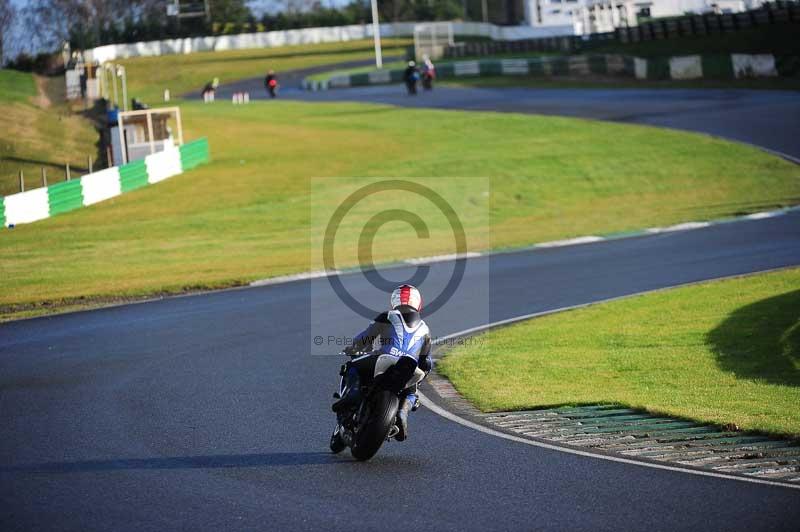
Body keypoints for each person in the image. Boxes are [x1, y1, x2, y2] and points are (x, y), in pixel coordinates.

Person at [332, 284, 432, 441]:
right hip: (410, 367)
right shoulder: (425, 329)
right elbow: (426, 362)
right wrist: (423, 373)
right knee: (412, 392)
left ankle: (353, 394)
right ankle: (402, 413)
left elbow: (366, 337)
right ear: (418, 303)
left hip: (385, 358)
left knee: (352, 366)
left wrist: (353, 348)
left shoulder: (389, 315)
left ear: (395, 301)